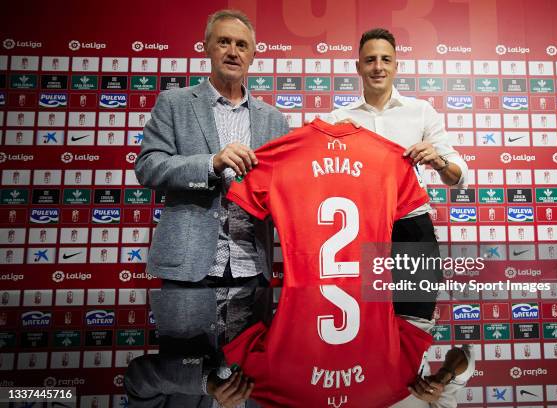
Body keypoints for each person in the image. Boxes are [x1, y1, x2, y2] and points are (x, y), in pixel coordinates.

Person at [128, 9, 289, 408]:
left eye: (241, 44)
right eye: (224, 42)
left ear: (253, 55)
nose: (232, 51)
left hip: (253, 271)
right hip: (189, 269)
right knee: (185, 361)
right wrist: (210, 163)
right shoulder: (175, 102)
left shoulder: (275, 119)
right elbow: (147, 166)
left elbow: (285, 189)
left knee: (248, 372)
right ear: (206, 48)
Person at [328, 28, 473, 407]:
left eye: (385, 59)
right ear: (358, 66)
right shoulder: (336, 119)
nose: (378, 67)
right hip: (356, 234)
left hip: (411, 228)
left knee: (415, 318)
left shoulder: (421, 111)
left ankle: (407, 363)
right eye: (371, 59)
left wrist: (439, 160)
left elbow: (458, 171)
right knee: (357, 326)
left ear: (396, 66)